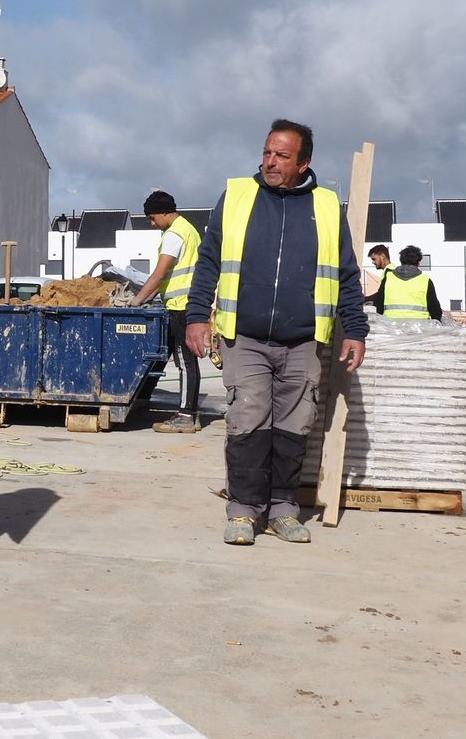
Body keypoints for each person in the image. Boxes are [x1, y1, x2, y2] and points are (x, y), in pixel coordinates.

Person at [184, 119, 368, 547]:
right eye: (267, 152)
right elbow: (209, 261)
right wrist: (197, 316)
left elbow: (345, 274)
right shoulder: (237, 197)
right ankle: (245, 511)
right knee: (247, 419)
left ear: (304, 163)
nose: (270, 162)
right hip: (244, 336)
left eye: (282, 156)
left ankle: (283, 509)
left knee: (294, 426)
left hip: (303, 339)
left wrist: (355, 330)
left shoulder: (325, 206)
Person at [129, 190, 204, 433]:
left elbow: (161, 272)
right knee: (174, 358)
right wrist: (150, 295)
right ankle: (181, 409)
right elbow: (166, 279)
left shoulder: (174, 234)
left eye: (152, 218)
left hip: (182, 305)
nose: (152, 223)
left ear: (164, 212)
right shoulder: (188, 229)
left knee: (184, 361)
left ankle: (186, 415)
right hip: (182, 303)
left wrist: (137, 300)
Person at [371, 245, 443, 320]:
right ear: (418, 263)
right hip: (419, 328)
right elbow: (436, 312)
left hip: (391, 327)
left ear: (401, 261)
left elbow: (378, 306)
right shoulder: (425, 280)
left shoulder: (388, 278)